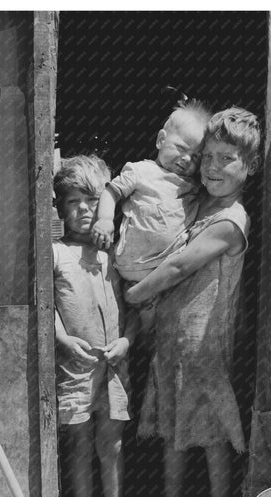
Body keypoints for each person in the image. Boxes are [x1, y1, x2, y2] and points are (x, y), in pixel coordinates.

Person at [124, 107, 261, 497]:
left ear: (250, 167)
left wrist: (134, 293)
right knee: (172, 429)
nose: (214, 167)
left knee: (213, 433)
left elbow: (180, 265)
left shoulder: (231, 220)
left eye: (227, 159)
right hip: (170, 340)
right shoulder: (198, 203)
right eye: (209, 157)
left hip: (204, 344)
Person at [53, 155, 139, 497]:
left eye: (91, 200)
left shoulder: (114, 255)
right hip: (76, 367)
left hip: (115, 366)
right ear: (59, 207)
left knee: (113, 444)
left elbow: (135, 309)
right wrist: (62, 339)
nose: (84, 209)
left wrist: (127, 341)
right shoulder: (55, 254)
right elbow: (45, 307)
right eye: (73, 201)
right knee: (80, 442)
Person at [90, 100, 212, 332]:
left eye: (196, 157)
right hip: (130, 268)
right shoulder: (140, 171)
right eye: (181, 148)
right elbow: (111, 192)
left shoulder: (194, 186)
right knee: (123, 325)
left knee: (158, 332)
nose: (187, 159)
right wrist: (105, 220)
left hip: (168, 277)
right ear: (160, 140)